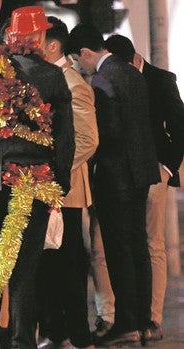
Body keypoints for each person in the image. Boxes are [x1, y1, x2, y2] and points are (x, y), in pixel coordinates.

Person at [0, 6, 75, 348]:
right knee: (24, 271)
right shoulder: (52, 76)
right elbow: (65, 139)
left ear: (10, 35)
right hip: (31, 183)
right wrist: (60, 183)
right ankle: (23, 342)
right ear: (38, 37)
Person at [67, 24, 160, 347]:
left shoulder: (103, 81)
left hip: (115, 176)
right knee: (139, 248)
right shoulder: (131, 71)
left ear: (87, 53)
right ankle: (145, 321)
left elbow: (108, 133)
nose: (81, 68)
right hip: (140, 173)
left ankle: (127, 324)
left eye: (79, 61)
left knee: (120, 252)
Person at [104, 33, 184, 344]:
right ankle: (110, 314)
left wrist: (167, 167)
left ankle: (153, 317)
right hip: (120, 175)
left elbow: (179, 123)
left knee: (152, 243)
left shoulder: (161, 79)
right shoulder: (105, 78)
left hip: (153, 170)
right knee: (107, 245)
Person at [36, 16, 99, 349]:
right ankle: (55, 331)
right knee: (48, 268)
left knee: (70, 269)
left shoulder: (72, 82)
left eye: (36, 40)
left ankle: (79, 335)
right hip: (46, 190)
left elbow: (87, 140)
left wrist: (52, 170)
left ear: (53, 45)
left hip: (67, 192)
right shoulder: (47, 78)